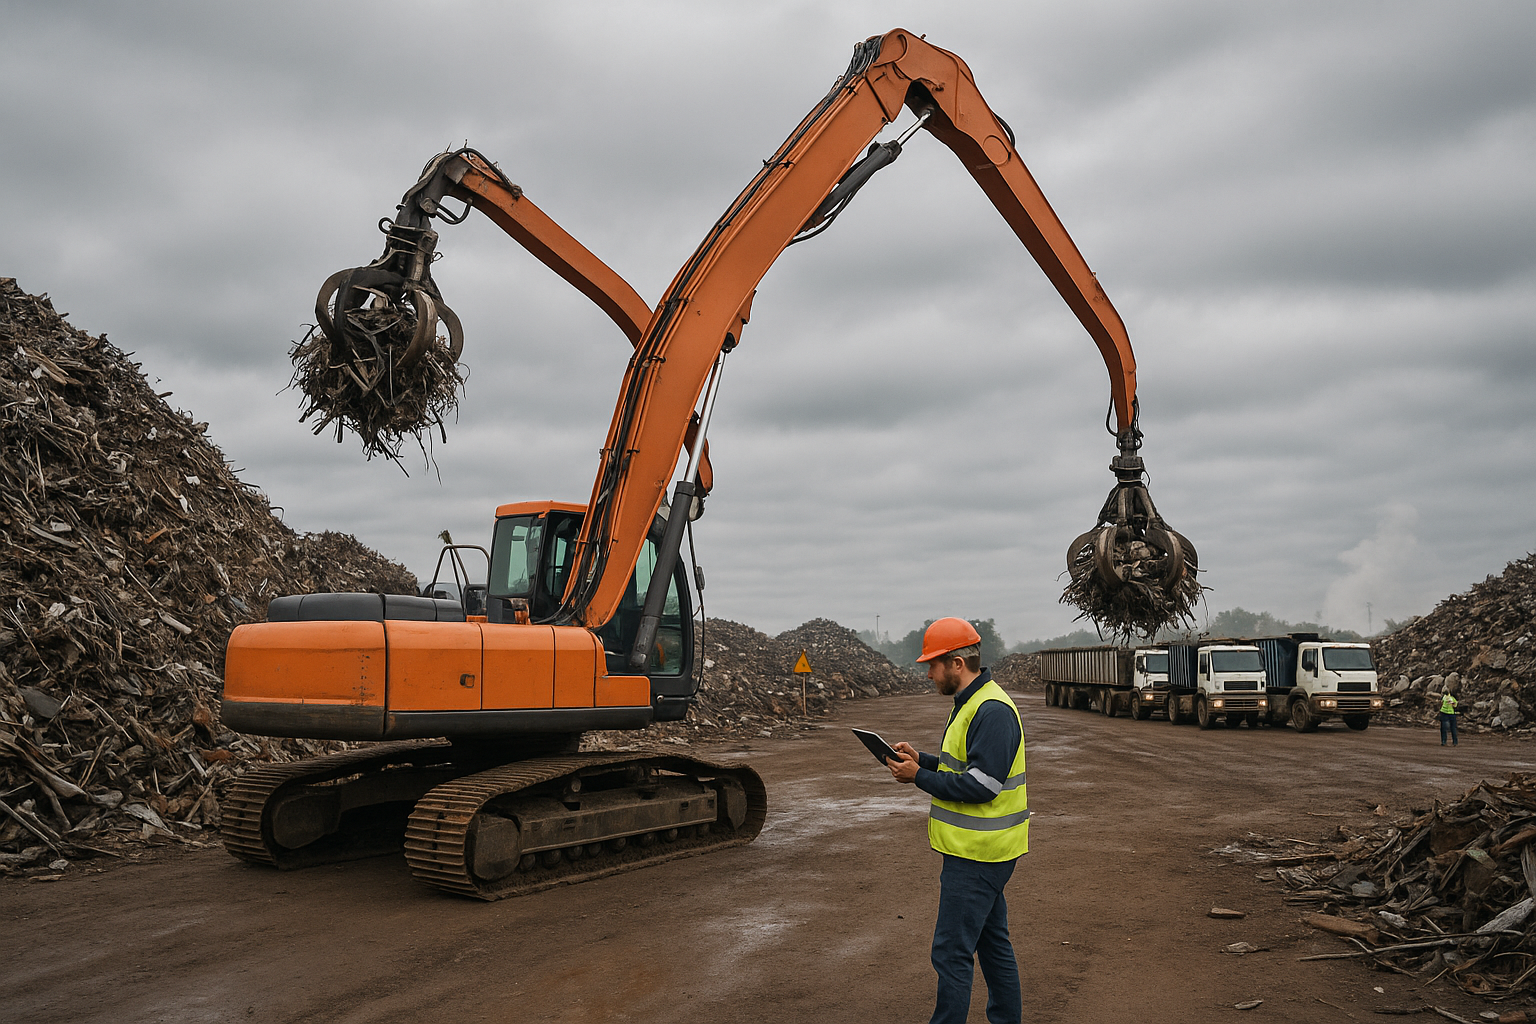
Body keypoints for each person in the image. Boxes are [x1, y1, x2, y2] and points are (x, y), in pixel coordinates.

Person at [886, 617, 1029, 1024]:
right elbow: (964, 767)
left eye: (933, 664)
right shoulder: (972, 704)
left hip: (979, 855)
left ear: (957, 663)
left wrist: (919, 778)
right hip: (980, 852)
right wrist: (923, 761)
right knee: (993, 943)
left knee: (951, 951)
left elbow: (983, 785)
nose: (928, 673)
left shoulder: (992, 710)